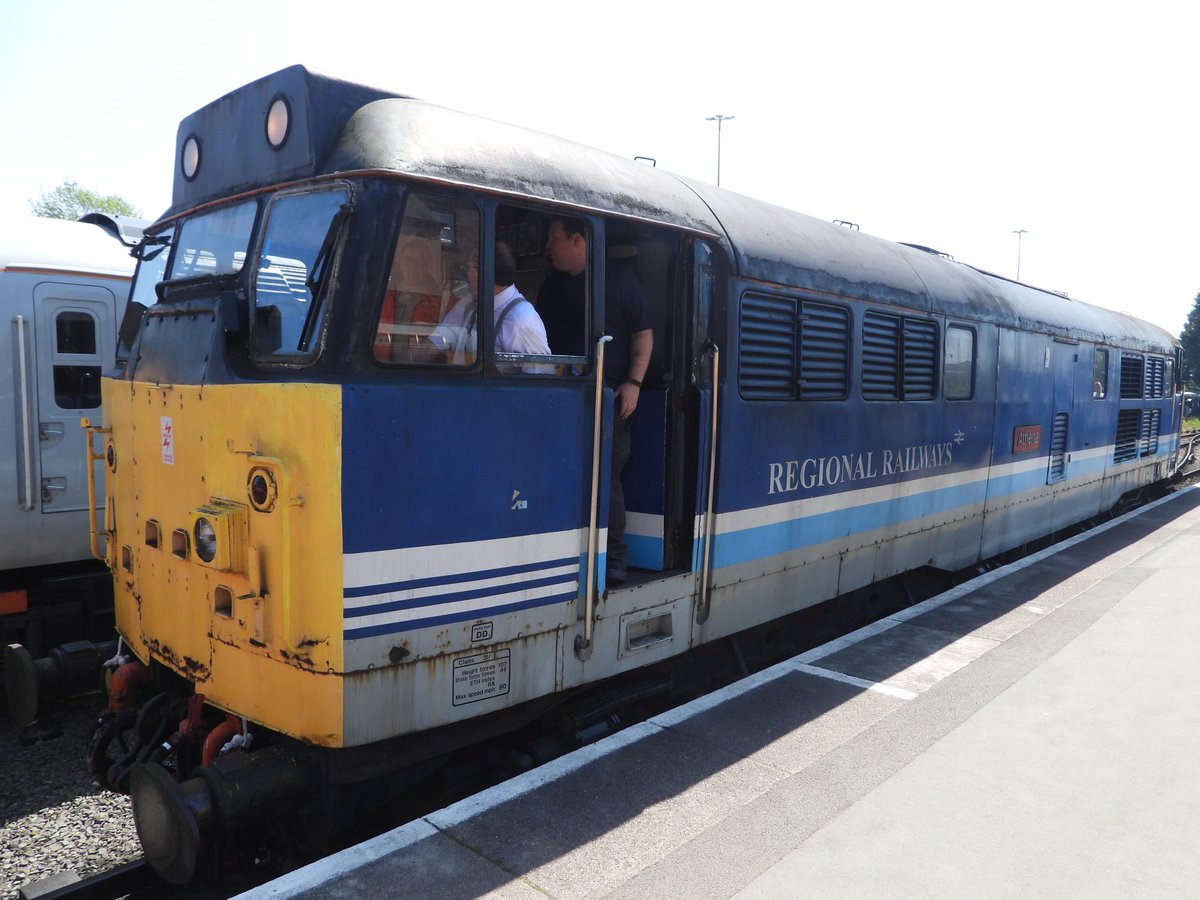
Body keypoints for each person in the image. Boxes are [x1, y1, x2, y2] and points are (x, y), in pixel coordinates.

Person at [539, 216, 653, 584]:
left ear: (577, 240)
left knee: (608, 480)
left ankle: (615, 559)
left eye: (554, 238)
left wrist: (634, 382)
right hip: (561, 399)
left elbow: (643, 335)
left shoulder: (620, 281)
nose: (548, 247)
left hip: (608, 401)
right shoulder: (549, 287)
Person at [430, 242, 553, 372]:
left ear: (483, 272)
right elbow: (439, 339)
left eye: (469, 268)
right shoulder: (468, 304)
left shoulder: (521, 321)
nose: (467, 275)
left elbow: (540, 379)